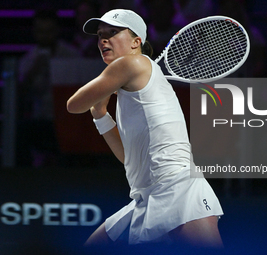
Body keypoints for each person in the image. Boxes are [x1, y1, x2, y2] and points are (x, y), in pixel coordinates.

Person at [67, 9, 224, 249]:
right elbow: (127, 158)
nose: (103, 40)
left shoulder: (133, 63)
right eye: (100, 35)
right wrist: (100, 115)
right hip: (145, 195)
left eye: (113, 32)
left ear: (136, 42)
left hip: (177, 189)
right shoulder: (136, 79)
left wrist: (99, 97)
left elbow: (73, 105)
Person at [17, 8, 80, 167]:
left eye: (49, 31)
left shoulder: (72, 56)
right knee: (21, 131)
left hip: (68, 119)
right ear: (34, 32)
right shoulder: (28, 60)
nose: (45, 36)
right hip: (41, 120)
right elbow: (19, 94)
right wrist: (32, 73)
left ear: (57, 30)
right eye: (41, 31)